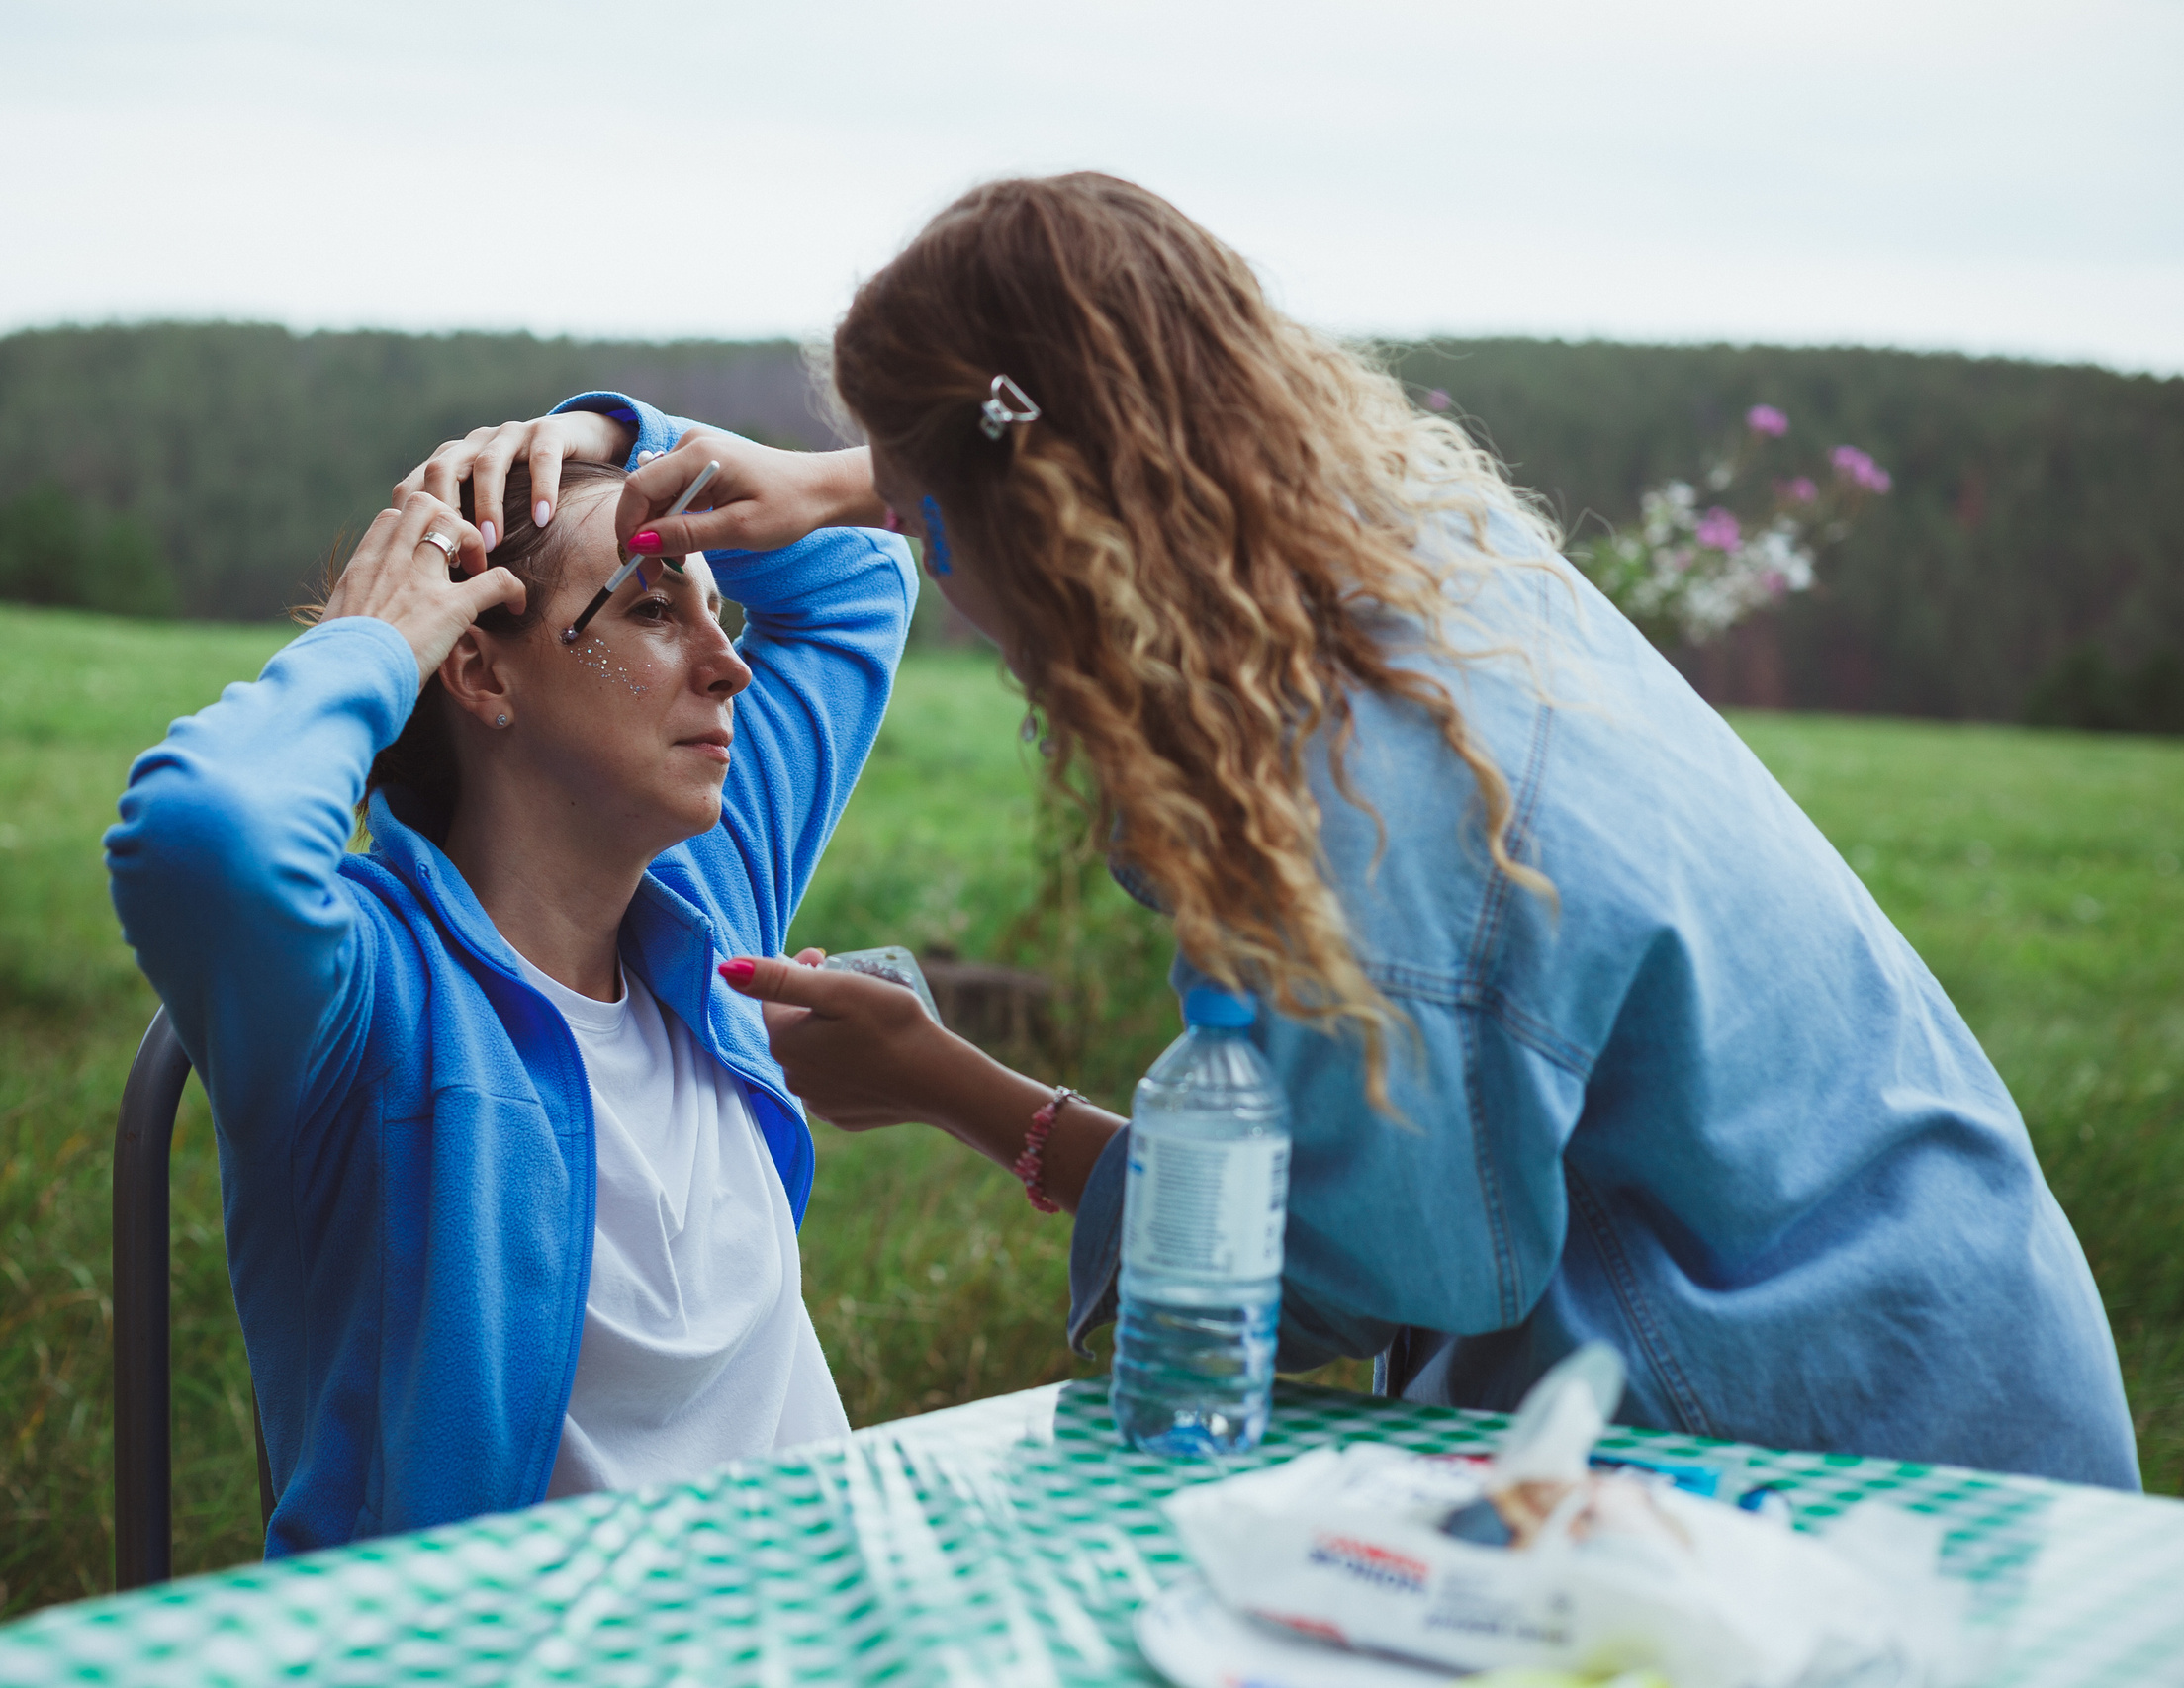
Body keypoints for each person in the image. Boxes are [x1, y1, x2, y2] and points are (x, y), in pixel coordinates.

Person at [595, 174, 2140, 1489]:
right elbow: (1073, 442)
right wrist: (869, 480)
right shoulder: (1402, 543)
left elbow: (1315, 1270)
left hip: (1831, 1452)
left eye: (929, 536)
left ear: (1046, 528)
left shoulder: (1346, 812)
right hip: (1967, 1330)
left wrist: (960, 1088)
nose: (937, 582)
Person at [105, 391, 917, 1553]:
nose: (729, 666)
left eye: (717, 611)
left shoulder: (708, 892)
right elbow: (206, 837)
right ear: (480, 674)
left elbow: (860, 581)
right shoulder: (374, 1001)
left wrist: (619, 440)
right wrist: (371, 643)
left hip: (812, 1625)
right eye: (650, 608)